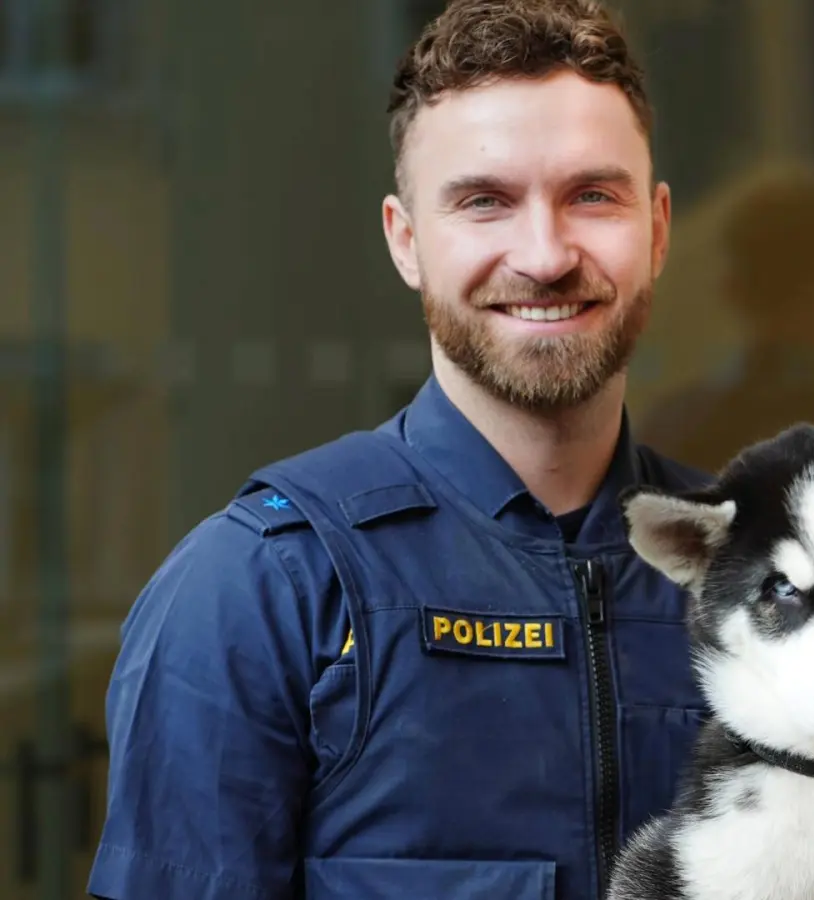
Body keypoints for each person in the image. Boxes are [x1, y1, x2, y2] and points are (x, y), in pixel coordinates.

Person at [88, 2, 712, 898]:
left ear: (655, 229)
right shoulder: (261, 591)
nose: (543, 254)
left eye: (591, 196)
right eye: (484, 202)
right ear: (406, 240)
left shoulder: (761, 573)